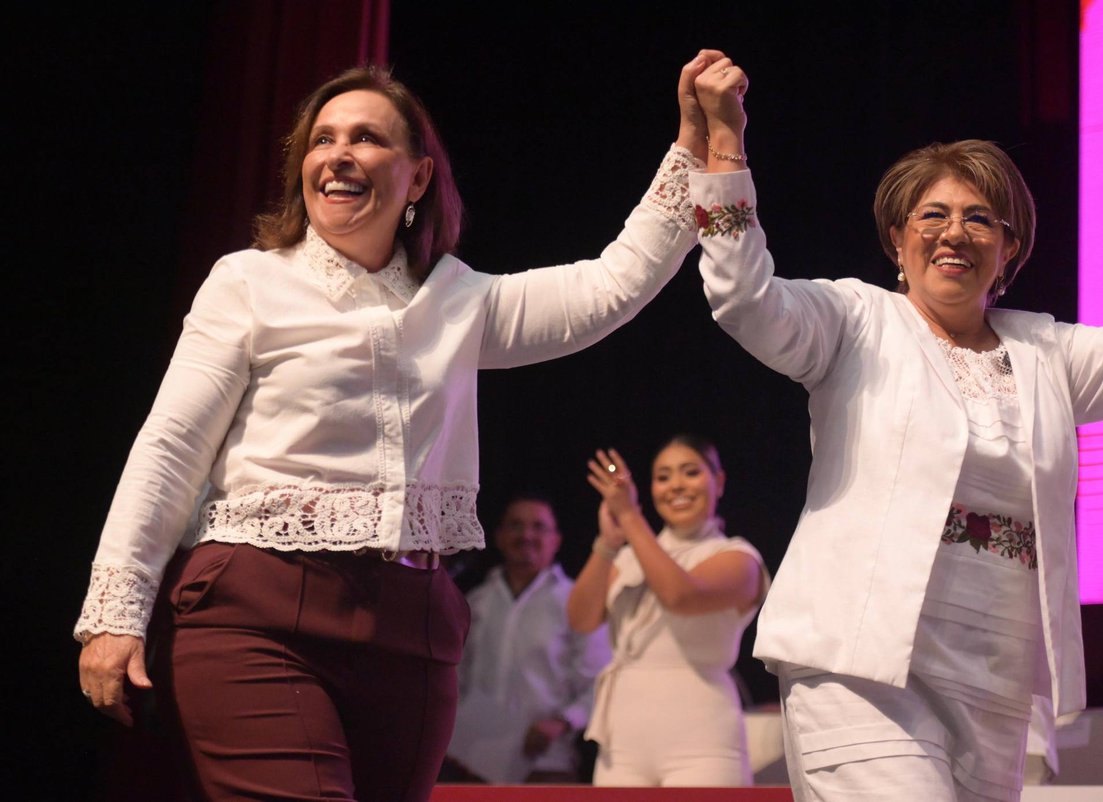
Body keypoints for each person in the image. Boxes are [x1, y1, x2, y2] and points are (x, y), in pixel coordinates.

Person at [73, 58, 719, 802]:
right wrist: (115, 613)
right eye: (322, 140)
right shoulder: (248, 282)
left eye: (367, 138)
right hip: (257, 617)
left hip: (411, 636)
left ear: (416, 178)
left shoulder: (458, 298)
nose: (338, 154)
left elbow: (610, 287)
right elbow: (171, 447)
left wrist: (692, 150)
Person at [689, 56, 1103, 802]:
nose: (954, 233)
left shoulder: (1047, 352)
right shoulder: (855, 321)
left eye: (980, 219)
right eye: (933, 215)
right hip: (861, 664)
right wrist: (727, 145)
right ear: (897, 241)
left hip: (997, 673)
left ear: (1009, 250)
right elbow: (742, 296)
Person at [567, 435, 772, 786]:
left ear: (718, 482)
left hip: (702, 740)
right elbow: (581, 619)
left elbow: (680, 595)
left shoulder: (738, 557)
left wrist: (630, 516)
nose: (675, 485)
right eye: (663, 477)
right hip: (624, 741)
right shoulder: (630, 558)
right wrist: (609, 543)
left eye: (690, 472)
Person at [444, 494, 610, 783]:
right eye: (516, 526)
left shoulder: (575, 601)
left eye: (538, 527)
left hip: (547, 764)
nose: (526, 535)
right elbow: (456, 679)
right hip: (474, 761)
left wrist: (561, 723)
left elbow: (602, 680)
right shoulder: (475, 601)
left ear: (556, 540)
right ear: (498, 536)